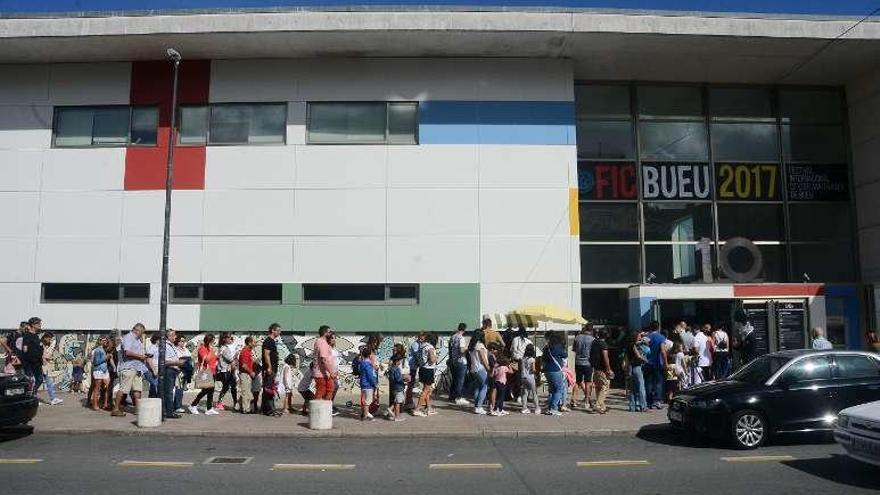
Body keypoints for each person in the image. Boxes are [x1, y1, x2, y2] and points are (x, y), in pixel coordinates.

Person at [112, 323, 148, 417]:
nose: (142, 334)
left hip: (137, 368)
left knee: (137, 389)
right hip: (129, 368)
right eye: (142, 332)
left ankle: (138, 409)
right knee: (123, 389)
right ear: (137, 330)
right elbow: (127, 352)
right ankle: (115, 409)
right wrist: (141, 356)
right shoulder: (128, 338)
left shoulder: (137, 340)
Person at [189, 333, 219, 416]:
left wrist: (217, 355)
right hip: (206, 372)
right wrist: (211, 350)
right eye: (212, 341)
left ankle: (209, 409)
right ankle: (193, 405)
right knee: (205, 390)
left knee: (211, 391)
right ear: (209, 341)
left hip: (212, 371)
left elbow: (214, 359)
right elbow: (207, 360)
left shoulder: (210, 349)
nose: (214, 343)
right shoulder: (203, 348)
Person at [542, 331, 567, 416]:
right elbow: (565, 355)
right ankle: (553, 408)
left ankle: (549, 408)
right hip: (556, 370)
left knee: (552, 390)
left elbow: (543, 358)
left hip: (547, 370)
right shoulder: (558, 346)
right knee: (559, 389)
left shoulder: (546, 347)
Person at [413, 333, 439, 417]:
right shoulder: (430, 347)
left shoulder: (422, 346)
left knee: (426, 389)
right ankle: (417, 409)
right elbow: (432, 359)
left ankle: (429, 409)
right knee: (426, 390)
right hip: (428, 370)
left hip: (422, 369)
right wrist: (435, 357)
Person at [160, 329, 183, 419]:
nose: (175, 337)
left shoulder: (171, 345)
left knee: (171, 391)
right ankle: (169, 412)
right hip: (169, 370)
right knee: (169, 392)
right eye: (173, 335)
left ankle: (169, 410)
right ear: (168, 336)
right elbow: (164, 361)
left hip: (173, 370)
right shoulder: (165, 345)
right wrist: (178, 363)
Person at [590, 328, 613, 414]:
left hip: (595, 368)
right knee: (605, 386)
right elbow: (605, 357)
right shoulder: (603, 344)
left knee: (598, 387)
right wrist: (608, 369)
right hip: (602, 368)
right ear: (607, 335)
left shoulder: (594, 342)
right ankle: (598, 405)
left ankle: (602, 406)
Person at [571, 324, 595, 410]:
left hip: (578, 362)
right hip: (588, 363)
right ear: (591, 330)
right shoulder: (593, 340)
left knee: (577, 382)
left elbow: (574, 349)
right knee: (588, 383)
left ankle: (574, 400)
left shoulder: (577, 337)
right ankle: (587, 401)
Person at [644, 321, 667, 410]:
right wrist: (665, 363)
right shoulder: (661, 337)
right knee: (658, 382)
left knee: (648, 382)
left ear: (650, 327)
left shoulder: (646, 337)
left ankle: (648, 402)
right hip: (657, 362)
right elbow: (662, 351)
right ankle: (657, 401)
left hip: (647, 362)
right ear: (658, 327)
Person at [468, 329, 490, 415]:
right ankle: (479, 406)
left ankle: (476, 406)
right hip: (481, 369)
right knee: (484, 388)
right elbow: (483, 359)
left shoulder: (472, 346)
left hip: (474, 369)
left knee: (477, 387)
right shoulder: (480, 345)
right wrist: (488, 368)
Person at [312, 325, 337, 402]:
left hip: (324, 373)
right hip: (322, 373)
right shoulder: (322, 342)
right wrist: (331, 372)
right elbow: (324, 359)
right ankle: (320, 410)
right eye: (329, 332)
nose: (331, 333)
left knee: (328, 390)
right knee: (323, 391)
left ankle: (324, 409)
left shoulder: (321, 342)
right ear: (325, 332)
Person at [262, 323, 283, 416]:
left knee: (268, 389)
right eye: (278, 330)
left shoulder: (272, 341)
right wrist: (269, 367)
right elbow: (266, 354)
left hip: (273, 368)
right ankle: (270, 410)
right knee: (269, 389)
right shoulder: (268, 341)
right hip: (270, 369)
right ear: (273, 330)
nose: (279, 332)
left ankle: (265, 409)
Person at [215, 333, 238, 412]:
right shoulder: (223, 348)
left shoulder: (226, 348)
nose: (230, 339)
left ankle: (235, 402)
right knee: (226, 387)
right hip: (225, 371)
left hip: (229, 370)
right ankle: (219, 402)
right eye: (228, 337)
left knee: (233, 387)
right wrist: (235, 355)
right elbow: (230, 359)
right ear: (224, 339)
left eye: (230, 337)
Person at [508, 326, 531, 402]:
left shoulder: (515, 339)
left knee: (517, 379)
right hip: (526, 362)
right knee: (525, 379)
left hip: (516, 362)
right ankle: (524, 395)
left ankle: (517, 396)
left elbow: (511, 351)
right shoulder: (529, 341)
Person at [626, 333, 648, 412]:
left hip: (631, 367)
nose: (640, 337)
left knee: (632, 389)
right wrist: (645, 360)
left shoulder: (628, 345)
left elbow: (627, 359)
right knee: (641, 387)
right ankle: (643, 406)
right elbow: (638, 356)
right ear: (635, 337)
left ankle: (632, 406)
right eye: (639, 336)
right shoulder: (633, 346)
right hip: (637, 367)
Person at [20, 318, 43, 393]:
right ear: (33, 325)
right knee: (30, 381)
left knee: (40, 379)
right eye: (38, 323)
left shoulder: (36, 336)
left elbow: (38, 348)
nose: (40, 324)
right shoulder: (27, 336)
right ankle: (29, 396)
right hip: (29, 363)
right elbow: (25, 350)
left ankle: (33, 393)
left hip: (37, 363)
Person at [448, 323, 469, 405]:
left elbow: (450, 349)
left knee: (455, 379)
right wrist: (468, 348)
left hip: (454, 360)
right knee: (460, 380)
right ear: (464, 329)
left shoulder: (453, 337)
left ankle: (452, 395)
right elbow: (461, 350)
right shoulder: (461, 338)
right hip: (461, 360)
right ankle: (459, 397)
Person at [39, 333, 63, 405]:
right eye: (49, 339)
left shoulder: (45, 345)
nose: (50, 341)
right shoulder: (40, 345)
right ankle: (33, 398)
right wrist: (46, 358)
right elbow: (42, 355)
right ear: (45, 338)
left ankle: (53, 398)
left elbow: (48, 353)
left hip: (45, 367)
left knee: (49, 383)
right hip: (39, 367)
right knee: (37, 383)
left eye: (50, 339)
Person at [405, 332, 426, 409]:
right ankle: (408, 401)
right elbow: (417, 356)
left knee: (412, 383)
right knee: (410, 384)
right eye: (422, 337)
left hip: (414, 366)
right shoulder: (415, 344)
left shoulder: (419, 344)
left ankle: (409, 401)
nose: (423, 339)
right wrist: (423, 365)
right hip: (412, 366)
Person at [89, 336, 111, 411]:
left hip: (104, 371)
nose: (105, 342)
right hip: (98, 371)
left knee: (108, 387)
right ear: (100, 341)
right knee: (97, 388)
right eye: (104, 340)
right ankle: (95, 405)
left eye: (106, 340)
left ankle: (105, 404)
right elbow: (96, 362)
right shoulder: (98, 350)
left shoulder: (104, 350)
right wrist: (106, 358)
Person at [173, 335, 193, 413]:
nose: (183, 342)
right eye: (181, 341)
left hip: (187, 371)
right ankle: (177, 406)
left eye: (184, 341)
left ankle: (177, 404)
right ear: (177, 341)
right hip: (180, 370)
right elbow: (178, 360)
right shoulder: (175, 349)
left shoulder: (185, 349)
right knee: (179, 388)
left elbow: (190, 358)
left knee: (182, 388)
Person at [238, 336, 257, 413]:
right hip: (245, 374)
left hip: (247, 374)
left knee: (246, 391)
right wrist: (251, 372)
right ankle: (246, 409)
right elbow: (244, 365)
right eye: (254, 342)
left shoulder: (248, 351)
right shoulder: (245, 352)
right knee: (245, 392)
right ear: (249, 343)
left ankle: (238, 406)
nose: (255, 344)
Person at [358, 347, 378, 420]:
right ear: (369, 355)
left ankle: (365, 414)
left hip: (363, 384)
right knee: (368, 401)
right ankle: (366, 415)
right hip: (368, 385)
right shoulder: (368, 365)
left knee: (365, 400)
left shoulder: (362, 363)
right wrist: (375, 383)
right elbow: (370, 376)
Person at [519, 344, 540, 414]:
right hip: (530, 377)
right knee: (534, 393)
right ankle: (537, 408)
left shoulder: (523, 358)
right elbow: (533, 369)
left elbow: (521, 368)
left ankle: (524, 408)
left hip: (523, 377)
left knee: (524, 393)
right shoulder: (532, 359)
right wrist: (536, 372)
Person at [388, 353, 406, 422]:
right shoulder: (397, 369)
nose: (401, 361)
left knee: (396, 400)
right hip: (398, 387)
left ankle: (391, 409)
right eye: (401, 360)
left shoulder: (391, 368)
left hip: (394, 387)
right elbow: (398, 379)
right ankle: (397, 416)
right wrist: (404, 377)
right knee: (398, 402)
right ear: (397, 361)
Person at [144, 333, 160, 398]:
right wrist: (154, 370)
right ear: (157, 340)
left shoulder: (158, 348)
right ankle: (153, 400)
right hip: (152, 369)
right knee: (154, 385)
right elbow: (148, 360)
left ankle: (152, 400)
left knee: (154, 387)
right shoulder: (151, 348)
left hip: (157, 369)